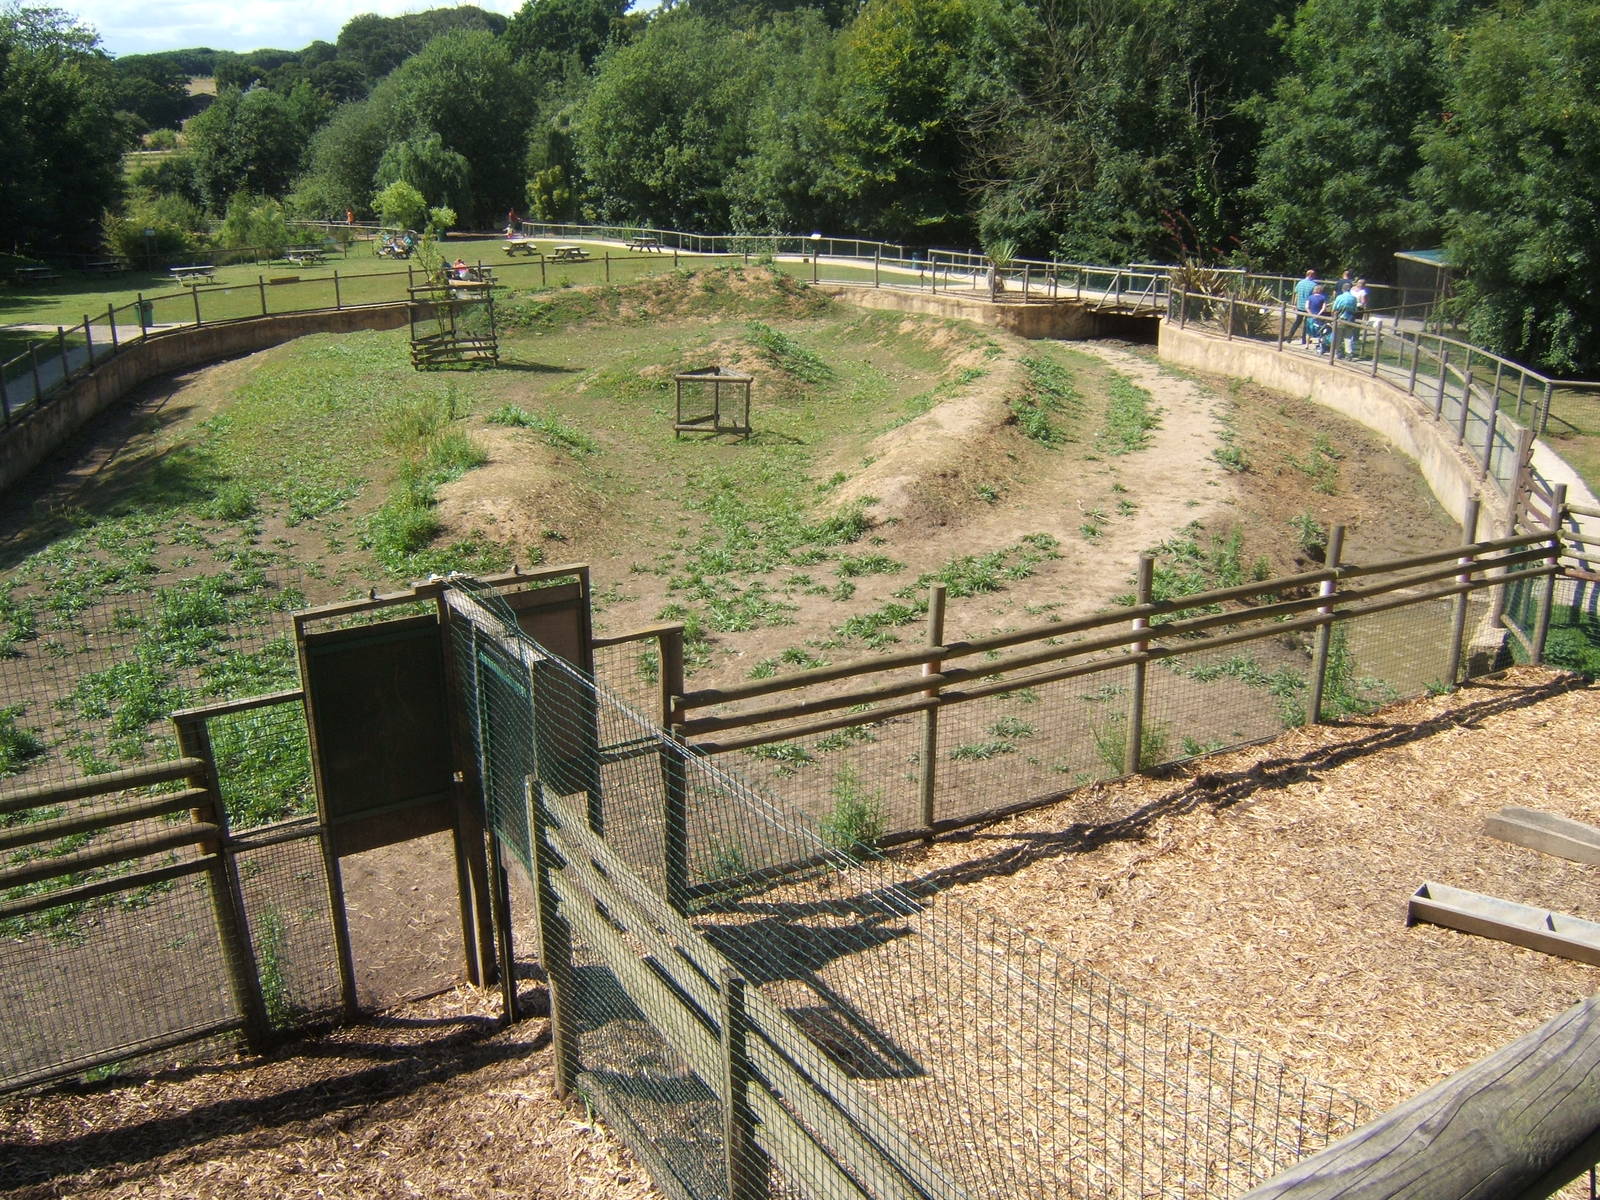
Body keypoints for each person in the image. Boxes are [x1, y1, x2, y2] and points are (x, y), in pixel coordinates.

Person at [1287, 269, 1318, 344]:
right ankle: (1304, 339)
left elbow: (1296, 294)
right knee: (1306, 324)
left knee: (1297, 322)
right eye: (1314, 275)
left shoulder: (1300, 283)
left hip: (1300, 305)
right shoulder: (1314, 285)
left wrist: (1294, 304)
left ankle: (1289, 337)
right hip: (1308, 307)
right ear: (1311, 275)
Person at [1331, 284, 1361, 358]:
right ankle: (1349, 354)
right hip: (1350, 320)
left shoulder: (1339, 297)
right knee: (1349, 337)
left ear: (1342, 289)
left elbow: (1334, 309)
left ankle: (1336, 352)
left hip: (1340, 319)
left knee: (1338, 337)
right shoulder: (1354, 298)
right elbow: (1355, 310)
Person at [1305, 283, 1331, 354]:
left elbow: (1306, 307)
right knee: (1320, 331)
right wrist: (1319, 314)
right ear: (1320, 290)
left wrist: (1310, 313)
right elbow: (1324, 307)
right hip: (1319, 317)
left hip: (1310, 316)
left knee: (1308, 331)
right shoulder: (1323, 297)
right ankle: (1320, 345)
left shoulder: (1310, 297)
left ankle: (1307, 345)